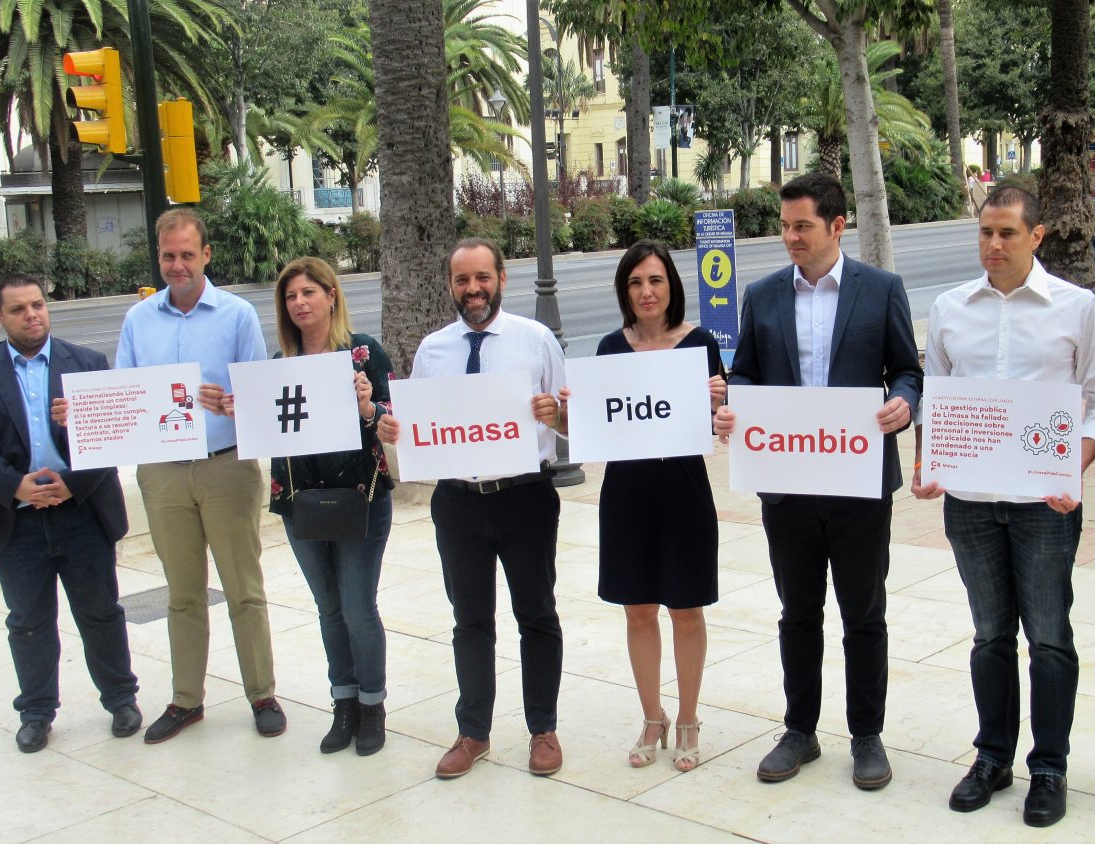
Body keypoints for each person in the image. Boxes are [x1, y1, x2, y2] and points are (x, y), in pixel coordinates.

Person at [912, 186, 1095, 827]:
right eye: (985, 232)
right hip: (971, 504)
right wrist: (929, 461)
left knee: (1050, 638)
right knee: (990, 635)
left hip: (1044, 505)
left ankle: (1049, 768)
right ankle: (993, 758)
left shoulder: (1078, 308)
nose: (994, 245)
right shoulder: (949, 309)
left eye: (1007, 232)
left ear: (1037, 236)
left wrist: (1074, 465)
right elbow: (937, 400)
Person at [712, 172, 923, 790]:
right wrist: (733, 401)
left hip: (858, 481)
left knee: (864, 614)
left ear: (837, 226)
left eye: (801, 225)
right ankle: (799, 730)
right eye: (783, 226)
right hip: (787, 482)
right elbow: (747, 372)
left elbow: (909, 371)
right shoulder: (763, 294)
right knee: (797, 612)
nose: (789, 237)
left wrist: (904, 404)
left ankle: (866, 736)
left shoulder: (881, 290)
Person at [377, 237, 568, 780]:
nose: (473, 289)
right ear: (451, 286)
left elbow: (571, 420)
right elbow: (417, 426)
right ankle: (473, 732)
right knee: (469, 620)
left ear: (501, 279)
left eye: (482, 277)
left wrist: (554, 414)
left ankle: (543, 729)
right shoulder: (434, 350)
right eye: (462, 280)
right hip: (458, 502)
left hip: (525, 497)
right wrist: (395, 429)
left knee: (537, 615)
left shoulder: (535, 342)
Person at [0, 274, 140, 753]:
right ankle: (36, 711)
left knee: (100, 612)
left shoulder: (86, 364)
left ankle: (120, 699)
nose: (32, 315)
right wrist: (17, 487)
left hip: (82, 512)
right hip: (15, 519)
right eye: (18, 309)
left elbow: (111, 436)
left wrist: (69, 484)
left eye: (37, 305)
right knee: (29, 620)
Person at [111, 207, 282, 743]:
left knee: (243, 590)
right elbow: (124, 395)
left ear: (206, 254)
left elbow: (260, 398)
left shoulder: (236, 316)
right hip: (162, 475)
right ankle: (187, 700)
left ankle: (262, 694)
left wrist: (232, 403)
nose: (178, 265)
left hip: (225, 467)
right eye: (168, 256)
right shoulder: (138, 320)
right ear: (158, 258)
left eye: (187, 254)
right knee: (182, 593)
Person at [220, 257, 396, 756]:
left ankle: (372, 707)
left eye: (308, 293)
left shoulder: (364, 353)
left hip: (359, 500)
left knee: (359, 608)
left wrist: (369, 407)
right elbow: (265, 430)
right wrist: (240, 410)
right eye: (290, 296)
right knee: (329, 609)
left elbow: (393, 417)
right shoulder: (278, 366)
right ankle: (342, 704)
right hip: (300, 502)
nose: (299, 303)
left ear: (331, 295)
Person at [567, 239, 725, 772]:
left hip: (683, 489)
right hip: (627, 492)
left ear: (671, 286)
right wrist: (572, 412)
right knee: (638, 608)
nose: (646, 291)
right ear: (624, 290)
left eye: (655, 280)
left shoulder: (700, 344)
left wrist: (721, 405)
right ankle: (652, 716)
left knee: (685, 607)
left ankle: (688, 718)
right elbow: (598, 427)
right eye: (635, 282)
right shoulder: (611, 347)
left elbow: (717, 428)